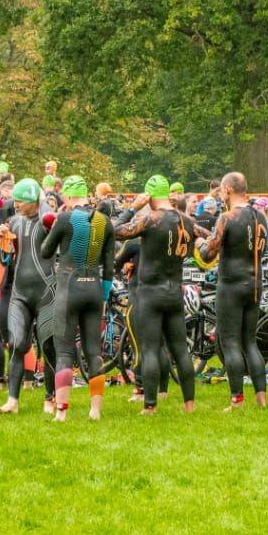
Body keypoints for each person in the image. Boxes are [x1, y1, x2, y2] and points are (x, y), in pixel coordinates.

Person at [115, 175, 202, 415]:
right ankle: (189, 405)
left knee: (150, 349)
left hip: (149, 294)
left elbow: (115, 232)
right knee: (180, 351)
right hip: (174, 292)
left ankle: (150, 406)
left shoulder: (149, 219)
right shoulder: (185, 220)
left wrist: (131, 208)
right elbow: (205, 235)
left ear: (150, 196)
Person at [38, 176, 116, 421]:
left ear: (69, 197)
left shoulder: (64, 219)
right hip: (94, 287)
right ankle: (95, 410)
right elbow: (110, 266)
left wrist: (50, 229)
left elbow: (45, 251)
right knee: (94, 352)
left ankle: (61, 412)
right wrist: (102, 296)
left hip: (68, 287)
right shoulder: (105, 222)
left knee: (64, 353)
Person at [199, 172, 267, 410]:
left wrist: (201, 243)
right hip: (255, 283)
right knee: (250, 342)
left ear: (227, 189)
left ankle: (237, 399)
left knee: (229, 342)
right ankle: (261, 398)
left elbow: (209, 254)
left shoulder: (227, 218)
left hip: (231, 285)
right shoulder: (262, 217)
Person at [0, 179, 58, 414]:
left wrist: (41, 200)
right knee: (17, 343)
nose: (15, 204)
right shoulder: (15, 222)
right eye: (15, 200)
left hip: (46, 292)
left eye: (20, 201)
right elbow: (4, 254)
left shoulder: (47, 221)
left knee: (48, 346)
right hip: (20, 293)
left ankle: (49, 398)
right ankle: (12, 400)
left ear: (34, 201)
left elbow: (50, 216)